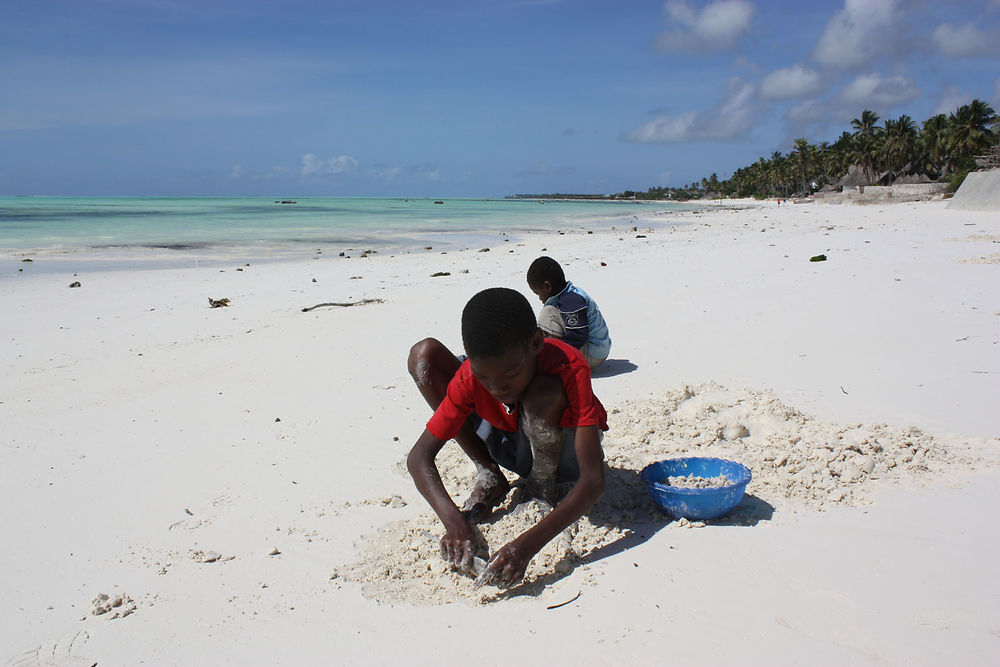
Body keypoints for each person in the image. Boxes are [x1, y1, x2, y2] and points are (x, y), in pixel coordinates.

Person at [406, 287, 607, 588]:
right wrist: (454, 523)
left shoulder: (569, 363)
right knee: (425, 356)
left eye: (510, 375)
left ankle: (540, 486)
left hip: (563, 452)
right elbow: (418, 458)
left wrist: (525, 547)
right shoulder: (474, 376)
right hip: (510, 439)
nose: (497, 388)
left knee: (543, 393)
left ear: (537, 342)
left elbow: (593, 481)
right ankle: (489, 473)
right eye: (484, 377)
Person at [526, 256, 611, 369]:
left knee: (548, 312)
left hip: (593, 353)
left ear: (547, 287)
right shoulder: (568, 294)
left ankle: (548, 355)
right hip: (599, 350)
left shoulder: (571, 300)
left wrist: (558, 353)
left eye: (538, 293)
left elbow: (578, 336)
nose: (539, 298)